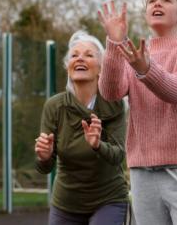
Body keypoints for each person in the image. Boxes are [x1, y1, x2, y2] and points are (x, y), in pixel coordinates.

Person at [98, 0, 177, 225]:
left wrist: (145, 69)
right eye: (152, 0)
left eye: (166, 0)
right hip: (142, 173)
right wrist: (114, 43)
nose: (157, 3)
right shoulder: (134, 55)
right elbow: (110, 92)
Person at [34, 30, 129, 225]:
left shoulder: (114, 104)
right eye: (74, 55)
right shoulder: (55, 106)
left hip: (108, 199)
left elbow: (118, 155)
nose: (80, 59)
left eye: (88, 54)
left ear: (101, 68)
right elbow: (45, 167)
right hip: (66, 203)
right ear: (68, 67)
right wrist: (43, 156)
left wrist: (97, 145)